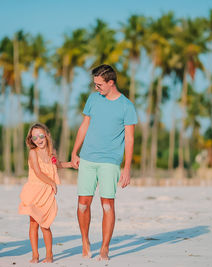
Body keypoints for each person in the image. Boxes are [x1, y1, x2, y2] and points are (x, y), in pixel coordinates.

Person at [70, 64, 137, 260]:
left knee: (107, 205)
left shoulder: (127, 106)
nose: (96, 88)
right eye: (94, 84)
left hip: (110, 162)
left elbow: (130, 139)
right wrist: (75, 152)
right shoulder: (93, 99)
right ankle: (85, 240)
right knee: (83, 204)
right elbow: (84, 125)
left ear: (111, 82)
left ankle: (105, 248)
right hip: (88, 158)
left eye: (99, 85)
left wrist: (127, 168)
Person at [19, 123, 72, 263]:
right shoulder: (33, 152)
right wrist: (52, 182)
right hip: (35, 191)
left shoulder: (51, 151)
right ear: (31, 139)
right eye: (34, 137)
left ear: (47, 135)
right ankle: (35, 255)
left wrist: (71, 164)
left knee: (45, 225)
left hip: (46, 193)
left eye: (41, 135)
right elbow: (38, 171)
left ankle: (49, 255)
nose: (38, 139)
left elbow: (57, 165)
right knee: (33, 224)